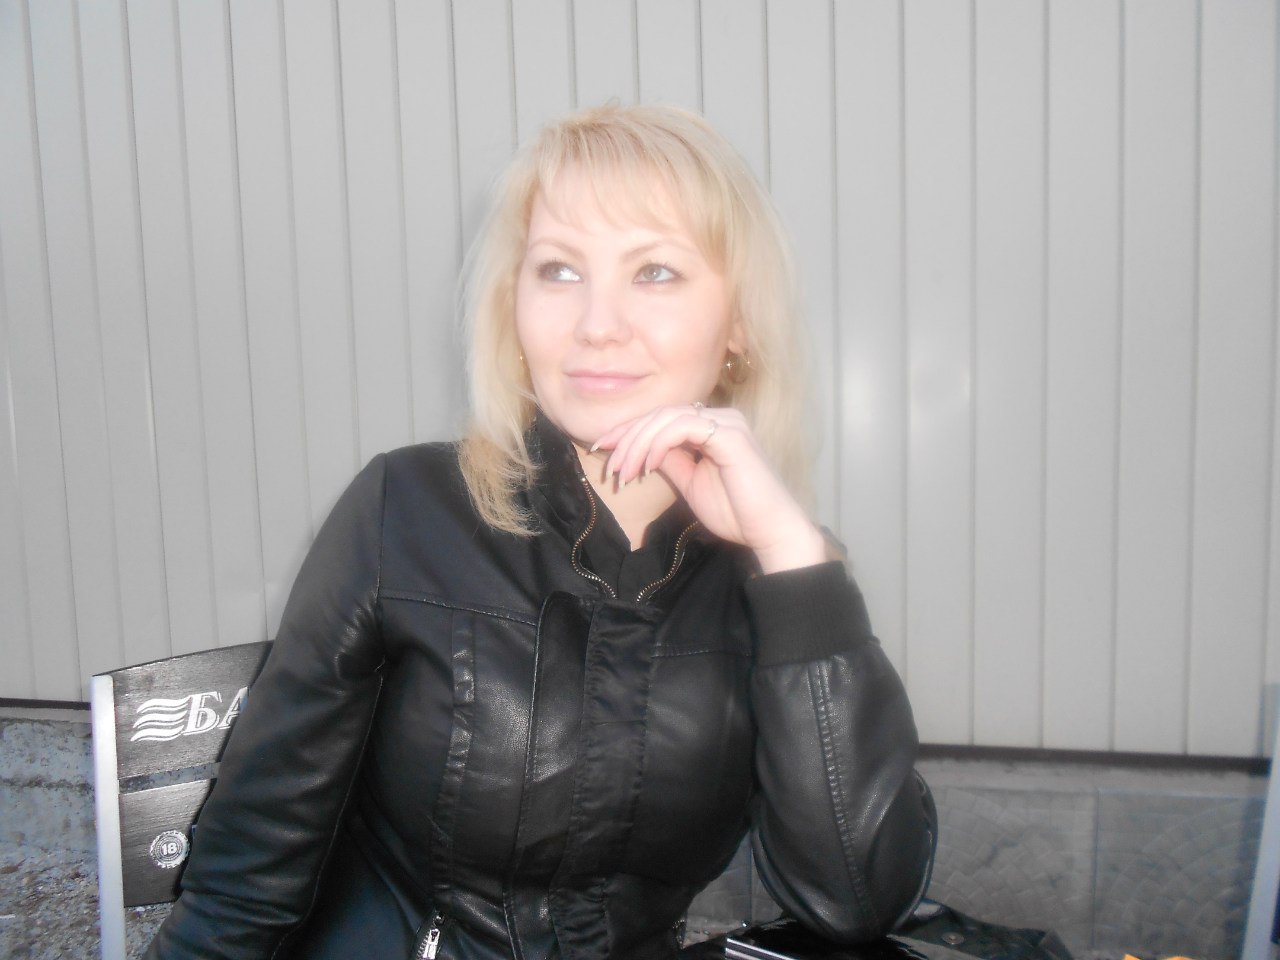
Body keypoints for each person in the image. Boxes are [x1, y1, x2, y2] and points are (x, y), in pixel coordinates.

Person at [144, 103, 936, 960]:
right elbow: (245, 878)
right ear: (513, 308)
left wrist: (792, 561)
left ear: (738, 323)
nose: (597, 323)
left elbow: (857, 905)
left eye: (655, 272)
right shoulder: (404, 510)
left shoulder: (785, 577)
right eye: (559, 270)